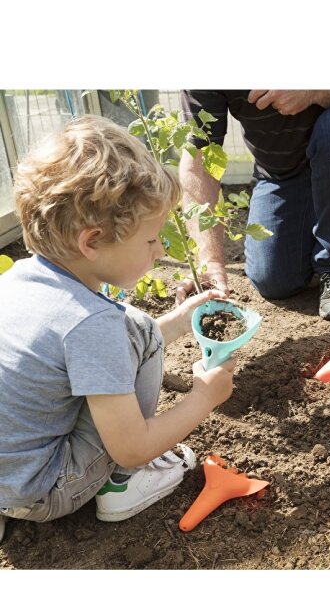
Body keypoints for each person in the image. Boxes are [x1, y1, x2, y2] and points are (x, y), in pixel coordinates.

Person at [0, 115, 236, 544]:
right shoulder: (91, 323)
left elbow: (83, 358)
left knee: (137, 328)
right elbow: (130, 444)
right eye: (150, 241)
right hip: (44, 492)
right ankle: (125, 485)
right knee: (136, 327)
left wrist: (182, 322)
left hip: (7, 475)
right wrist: (204, 398)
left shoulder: (17, 281)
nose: (161, 249)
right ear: (91, 242)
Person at [177, 90, 330, 320]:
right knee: (274, 280)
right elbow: (198, 163)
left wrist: (317, 92)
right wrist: (211, 262)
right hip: (280, 173)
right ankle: (321, 214)